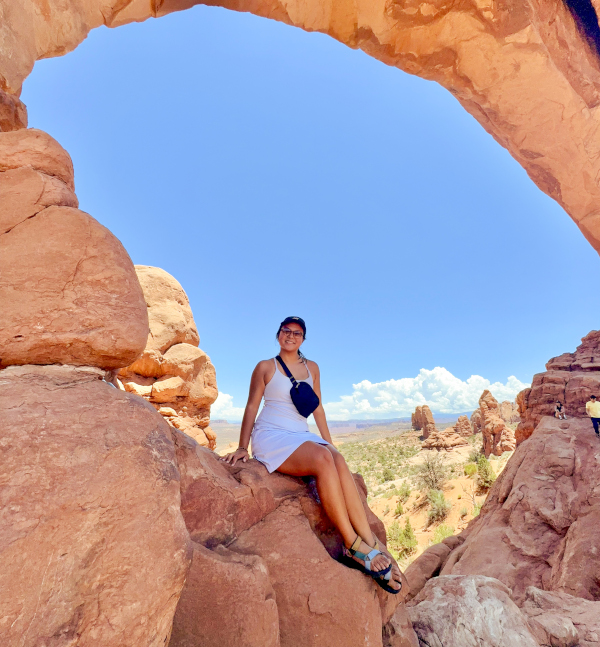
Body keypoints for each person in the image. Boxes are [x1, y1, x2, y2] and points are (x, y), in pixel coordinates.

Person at [221, 316, 402, 593]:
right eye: (286, 331)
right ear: (278, 334)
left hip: (300, 433)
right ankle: (353, 545)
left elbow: (317, 408)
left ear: (303, 339)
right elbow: (251, 407)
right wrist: (242, 447)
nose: (290, 336)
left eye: (297, 333)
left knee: (335, 459)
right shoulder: (266, 367)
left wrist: (330, 443)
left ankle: (368, 538)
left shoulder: (312, 368)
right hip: (271, 435)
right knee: (321, 460)